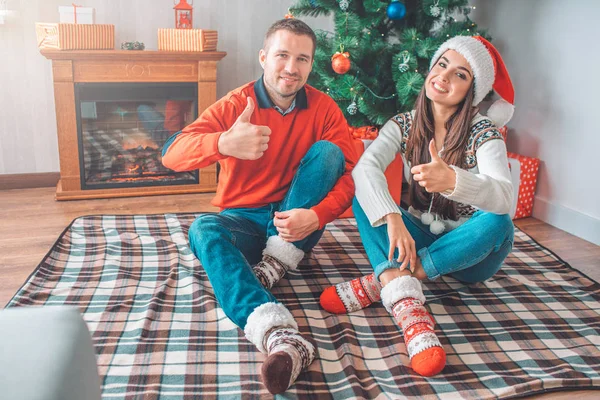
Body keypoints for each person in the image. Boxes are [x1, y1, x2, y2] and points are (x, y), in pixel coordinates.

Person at [161, 19, 357, 394]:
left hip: (297, 219)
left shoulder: (325, 108)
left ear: (311, 65)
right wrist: (223, 143)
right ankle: (278, 334)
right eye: (282, 55)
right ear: (264, 57)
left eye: (302, 59)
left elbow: (349, 174)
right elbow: (171, 153)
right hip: (244, 219)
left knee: (330, 152)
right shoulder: (236, 104)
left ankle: (275, 263)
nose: (291, 67)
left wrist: (317, 215)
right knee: (203, 229)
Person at [319, 35, 516, 378]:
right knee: (365, 196)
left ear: (473, 90)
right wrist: (393, 217)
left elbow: (504, 197)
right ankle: (410, 310)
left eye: (460, 74)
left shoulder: (485, 132)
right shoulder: (404, 123)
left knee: (499, 223)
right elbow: (367, 167)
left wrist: (453, 181)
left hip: (470, 257)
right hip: (416, 238)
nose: (444, 77)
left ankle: (389, 280)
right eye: (442, 65)